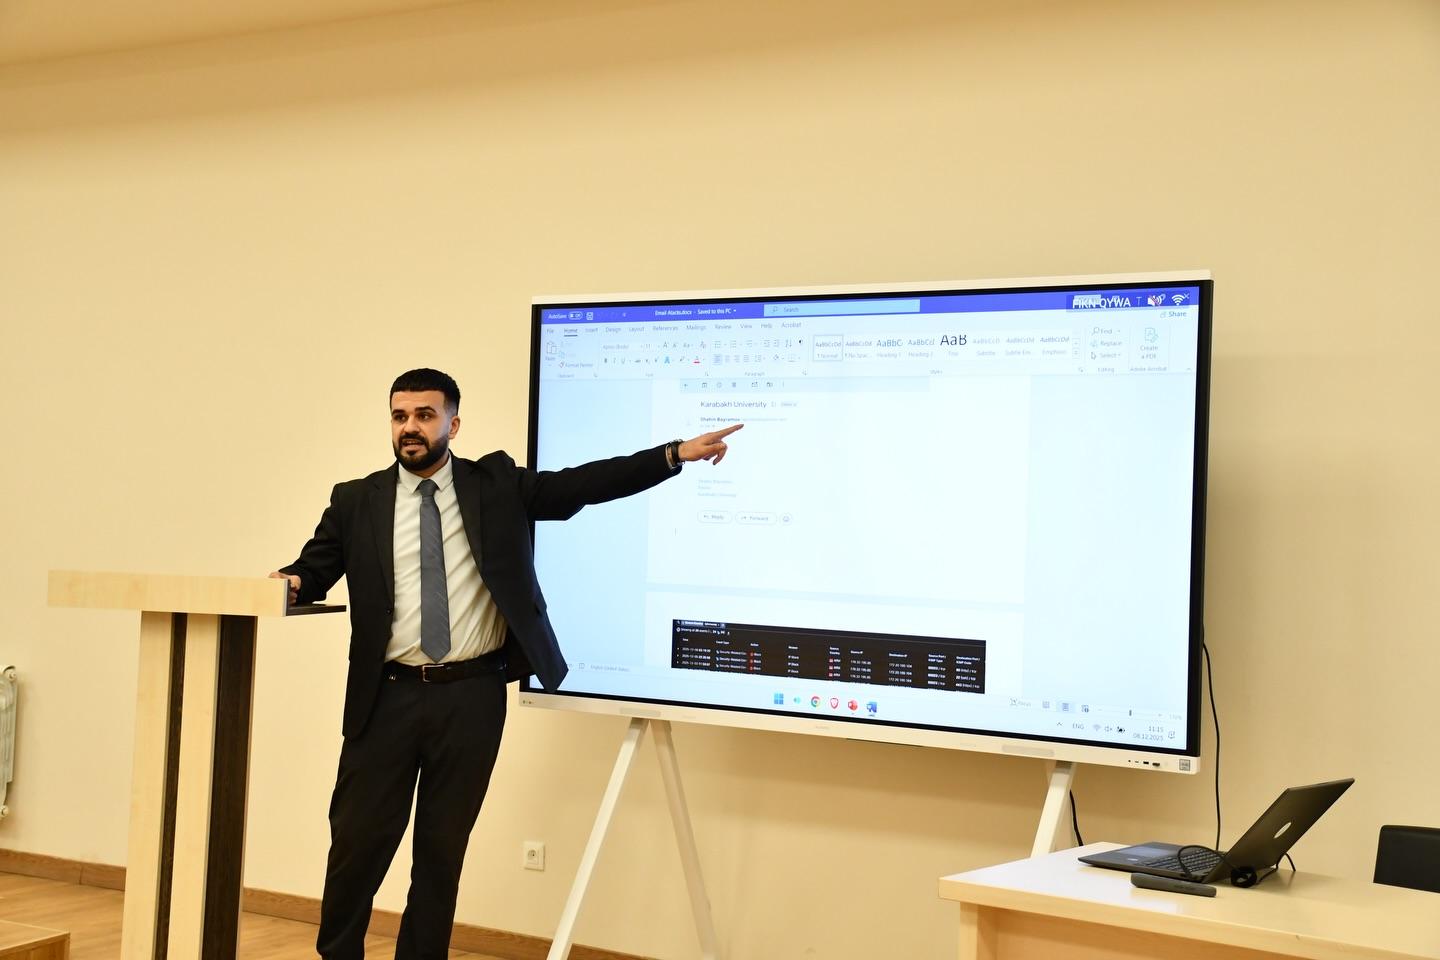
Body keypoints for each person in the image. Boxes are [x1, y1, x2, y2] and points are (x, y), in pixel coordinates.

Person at [271, 367, 741, 960]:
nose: (410, 427)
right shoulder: (355, 500)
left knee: (441, 853)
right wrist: (292, 581)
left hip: (470, 698)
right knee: (355, 847)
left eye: (424, 415)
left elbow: (583, 484)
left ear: (452, 424)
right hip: (384, 697)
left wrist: (672, 454)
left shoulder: (495, 486)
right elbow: (314, 568)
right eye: (400, 416)